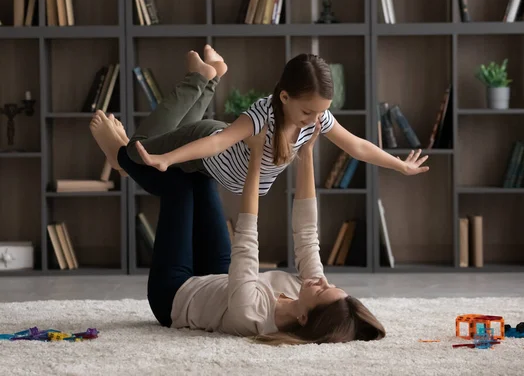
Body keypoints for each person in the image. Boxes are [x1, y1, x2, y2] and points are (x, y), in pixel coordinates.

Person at [88, 109, 386, 345]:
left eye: (323, 291)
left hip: (175, 295)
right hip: (219, 277)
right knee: (202, 171)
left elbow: (247, 235)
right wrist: (306, 153)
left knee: (178, 187)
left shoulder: (250, 313)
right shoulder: (309, 290)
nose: (322, 281)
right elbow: (307, 232)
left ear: (304, 319)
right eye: (332, 285)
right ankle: (129, 158)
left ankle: (120, 157)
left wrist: (256, 156)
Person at [107, 45, 428, 198]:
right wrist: (166, 158)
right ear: (285, 97)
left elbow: (357, 146)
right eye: (307, 112)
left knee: (164, 139)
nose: (314, 121)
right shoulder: (264, 114)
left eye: (320, 112)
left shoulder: (317, 119)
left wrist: (399, 166)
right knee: (136, 154)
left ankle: (209, 75)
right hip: (208, 144)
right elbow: (219, 142)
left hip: (213, 166)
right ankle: (201, 77)